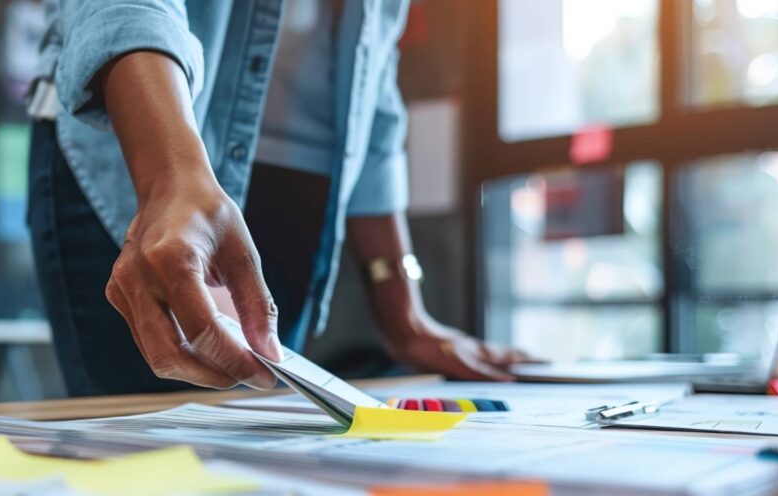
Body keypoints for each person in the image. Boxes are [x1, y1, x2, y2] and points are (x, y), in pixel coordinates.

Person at [27, 0, 531, 397]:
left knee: (257, 449)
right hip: (136, 150)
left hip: (307, 190)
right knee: (142, 463)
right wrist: (168, 177)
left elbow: (375, 72)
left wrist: (405, 314)